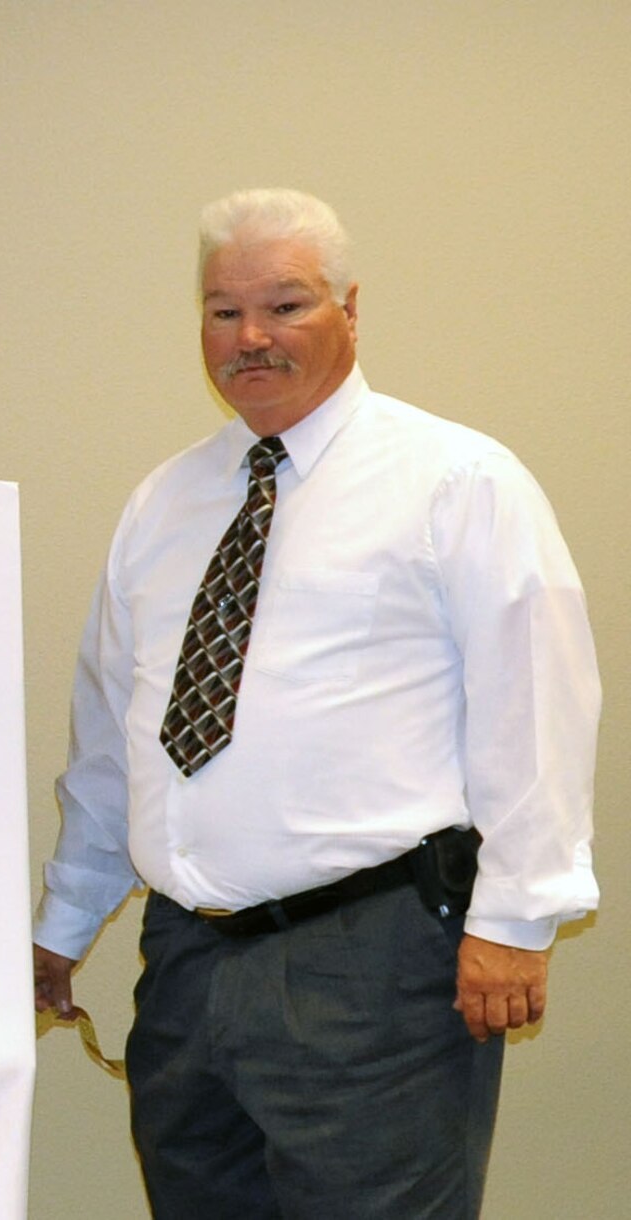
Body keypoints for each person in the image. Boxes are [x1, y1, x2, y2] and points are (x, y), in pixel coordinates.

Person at [32, 188, 599, 1217]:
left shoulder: (456, 479)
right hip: (185, 964)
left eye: (284, 306)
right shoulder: (163, 503)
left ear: (349, 308)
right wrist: (63, 921)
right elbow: (115, 739)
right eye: (222, 311)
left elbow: (536, 704)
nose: (249, 337)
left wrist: (517, 917)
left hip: (373, 965)